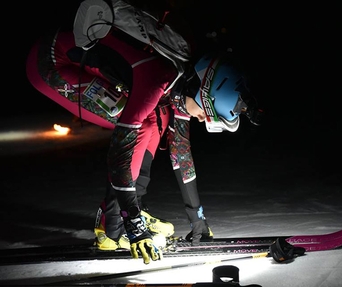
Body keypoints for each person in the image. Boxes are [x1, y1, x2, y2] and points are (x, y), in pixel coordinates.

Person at [26, 0, 263, 265]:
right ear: (200, 92)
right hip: (50, 61)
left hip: (71, 58)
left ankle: (127, 212)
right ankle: (110, 227)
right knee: (145, 124)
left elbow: (181, 154)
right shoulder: (157, 77)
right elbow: (120, 153)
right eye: (207, 113)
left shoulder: (181, 81)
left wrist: (198, 221)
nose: (202, 119)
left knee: (157, 117)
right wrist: (133, 225)